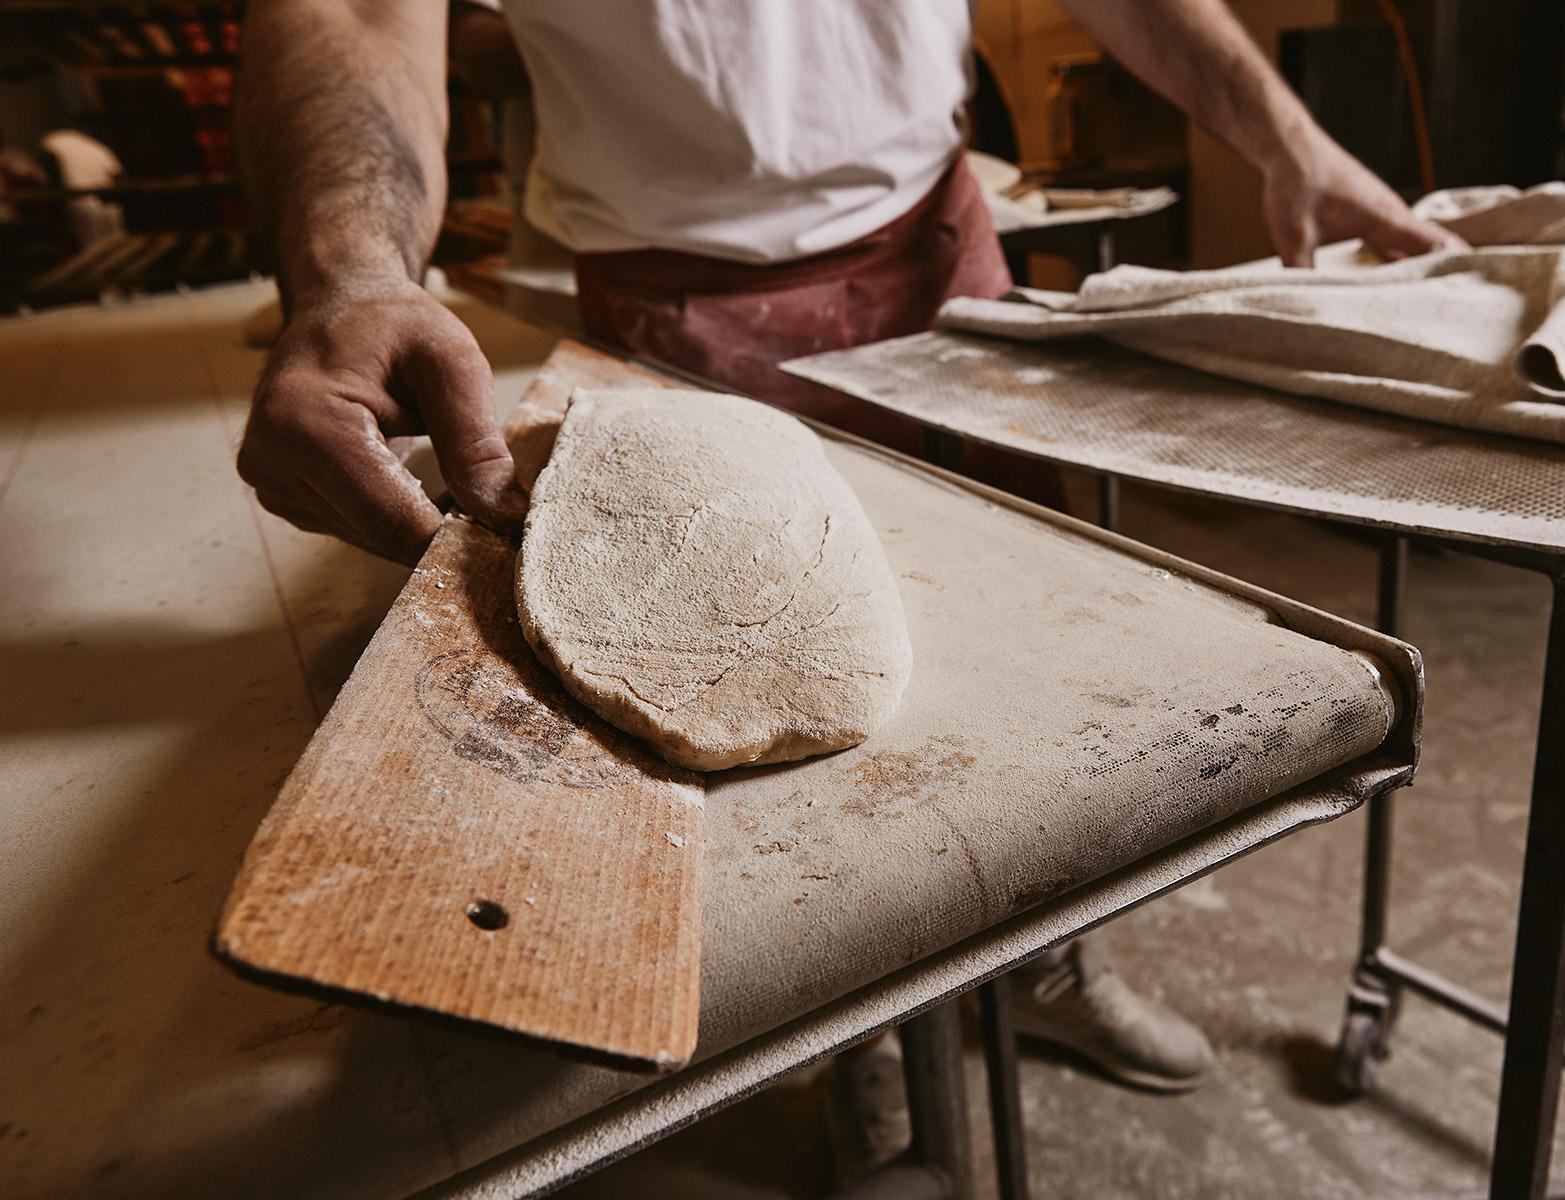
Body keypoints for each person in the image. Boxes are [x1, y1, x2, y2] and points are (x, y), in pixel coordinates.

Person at [232, 0, 1459, 1170]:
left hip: (933, 250)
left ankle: (1050, 952)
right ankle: (860, 1032)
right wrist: (348, 272)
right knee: (781, 777)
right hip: (676, 292)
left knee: (1026, 668)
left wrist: (1284, 135)